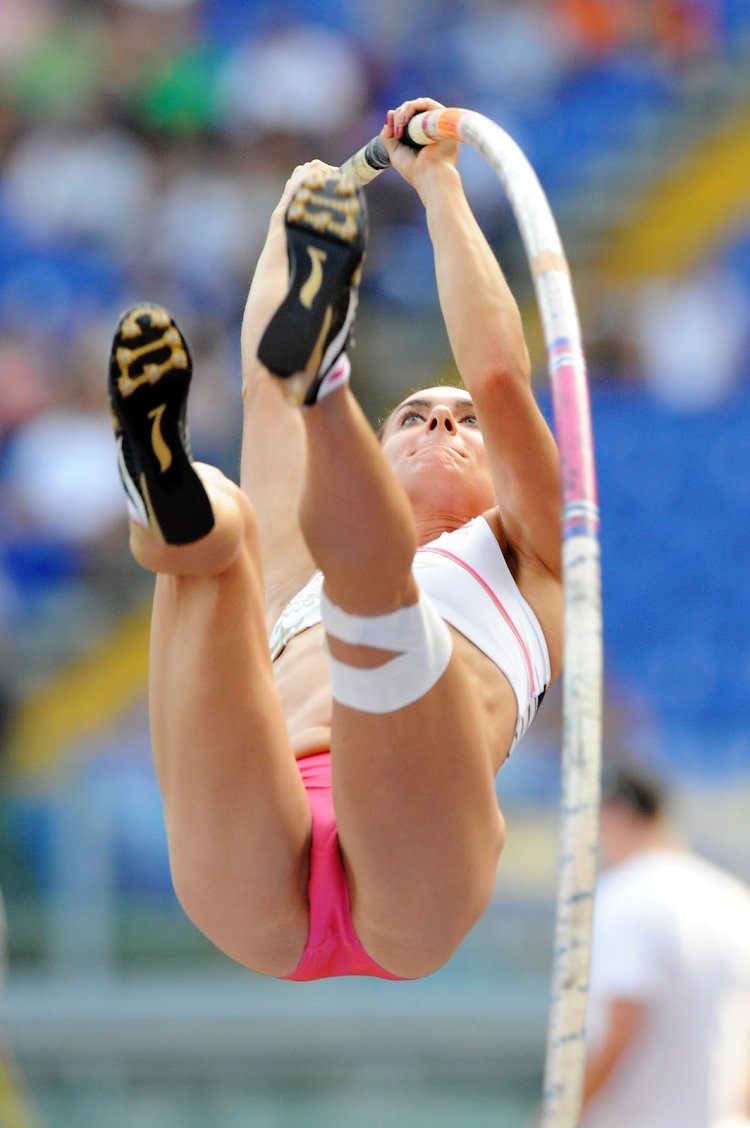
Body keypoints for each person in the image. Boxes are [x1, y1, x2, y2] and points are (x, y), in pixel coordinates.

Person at [106, 96, 563, 982]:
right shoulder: (304, 565)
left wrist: (439, 187)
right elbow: (260, 392)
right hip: (254, 843)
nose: (442, 424)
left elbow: (502, 375)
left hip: (411, 880)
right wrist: (287, 226)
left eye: (463, 424)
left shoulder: (538, 557)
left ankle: (329, 382)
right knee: (225, 528)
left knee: (375, 585)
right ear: (382, 458)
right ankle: (163, 494)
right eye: (416, 418)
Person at [582, 763, 750, 1128]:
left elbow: (622, 1028)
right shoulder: (733, 899)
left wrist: (562, 1113)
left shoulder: (627, 895)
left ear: (619, 814)